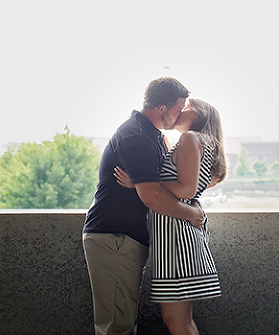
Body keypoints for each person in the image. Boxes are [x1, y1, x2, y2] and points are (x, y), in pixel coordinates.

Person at [82, 77, 206, 335]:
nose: (181, 113)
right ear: (162, 109)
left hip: (124, 238)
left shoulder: (153, 136)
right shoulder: (135, 136)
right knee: (117, 324)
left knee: (121, 319)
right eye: (178, 108)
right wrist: (192, 214)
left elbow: (168, 182)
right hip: (114, 237)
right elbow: (151, 196)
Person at [115, 98, 227, 335]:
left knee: (176, 321)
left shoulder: (190, 138)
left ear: (200, 115)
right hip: (179, 233)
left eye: (187, 107)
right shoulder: (199, 142)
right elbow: (195, 187)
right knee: (182, 320)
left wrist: (141, 182)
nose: (181, 110)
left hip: (174, 236)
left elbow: (186, 189)